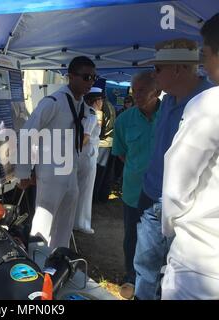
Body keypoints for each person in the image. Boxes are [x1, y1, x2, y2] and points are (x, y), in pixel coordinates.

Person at [134, 38, 214, 300]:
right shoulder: (168, 101)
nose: (153, 75)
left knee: (173, 272)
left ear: (178, 69)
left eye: (157, 69)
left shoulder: (207, 103)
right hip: (151, 198)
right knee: (144, 268)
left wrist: (174, 214)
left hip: (185, 213)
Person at [161, 13, 219, 300]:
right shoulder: (167, 103)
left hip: (201, 263)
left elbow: (175, 189)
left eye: (205, 54)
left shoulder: (209, 104)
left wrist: (170, 227)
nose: (203, 63)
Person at [15, 56, 96, 251]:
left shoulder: (82, 106)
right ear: (70, 77)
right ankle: (37, 263)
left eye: (94, 77)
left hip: (71, 172)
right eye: (86, 77)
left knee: (65, 225)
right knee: (44, 222)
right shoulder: (53, 102)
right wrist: (24, 172)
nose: (91, 82)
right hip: (51, 173)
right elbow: (28, 133)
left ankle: (59, 261)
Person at [112, 71, 161, 299]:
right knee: (132, 235)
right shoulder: (124, 120)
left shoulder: (171, 115)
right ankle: (131, 277)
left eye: (142, 90)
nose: (136, 94)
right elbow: (121, 153)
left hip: (163, 193)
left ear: (157, 91)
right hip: (134, 190)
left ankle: (157, 281)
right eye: (134, 90)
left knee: (160, 239)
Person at [74, 87, 102, 234]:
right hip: (87, 156)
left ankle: (76, 221)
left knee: (79, 189)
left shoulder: (83, 112)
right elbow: (85, 138)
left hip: (84, 155)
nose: (102, 102)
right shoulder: (91, 115)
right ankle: (82, 223)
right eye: (101, 99)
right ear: (95, 100)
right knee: (85, 190)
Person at [93, 94, 116, 203]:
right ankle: (102, 197)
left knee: (98, 172)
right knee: (106, 173)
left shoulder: (101, 106)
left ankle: (95, 198)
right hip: (110, 143)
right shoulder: (110, 105)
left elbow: (99, 128)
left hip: (102, 144)